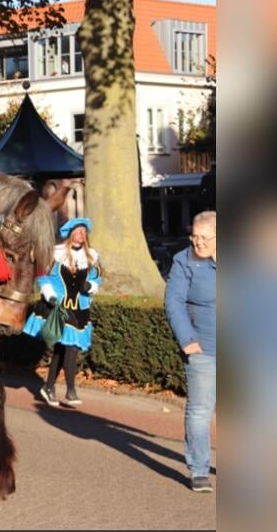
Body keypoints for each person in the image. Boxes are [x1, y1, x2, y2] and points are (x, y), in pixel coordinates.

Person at [23, 217, 102, 407]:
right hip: (58, 306)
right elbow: (42, 276)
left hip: (80, 308)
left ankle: (49, 387)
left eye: (84, 232)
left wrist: (90, 285)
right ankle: (71, 390)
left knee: (62, 348)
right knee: (71, 347)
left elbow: (98, 279)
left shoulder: (91, 256)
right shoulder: (55, 254)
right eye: (78, 231)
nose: (82, 234)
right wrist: (49, 295)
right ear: (70, 234)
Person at [165, 210, 217, 493]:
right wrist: (188, 340)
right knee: (199, 411)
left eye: (204, 238)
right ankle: (199, 469)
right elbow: (173, 302)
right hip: (204, 349)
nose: (197, 243)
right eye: (194, 237)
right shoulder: (184, 261)